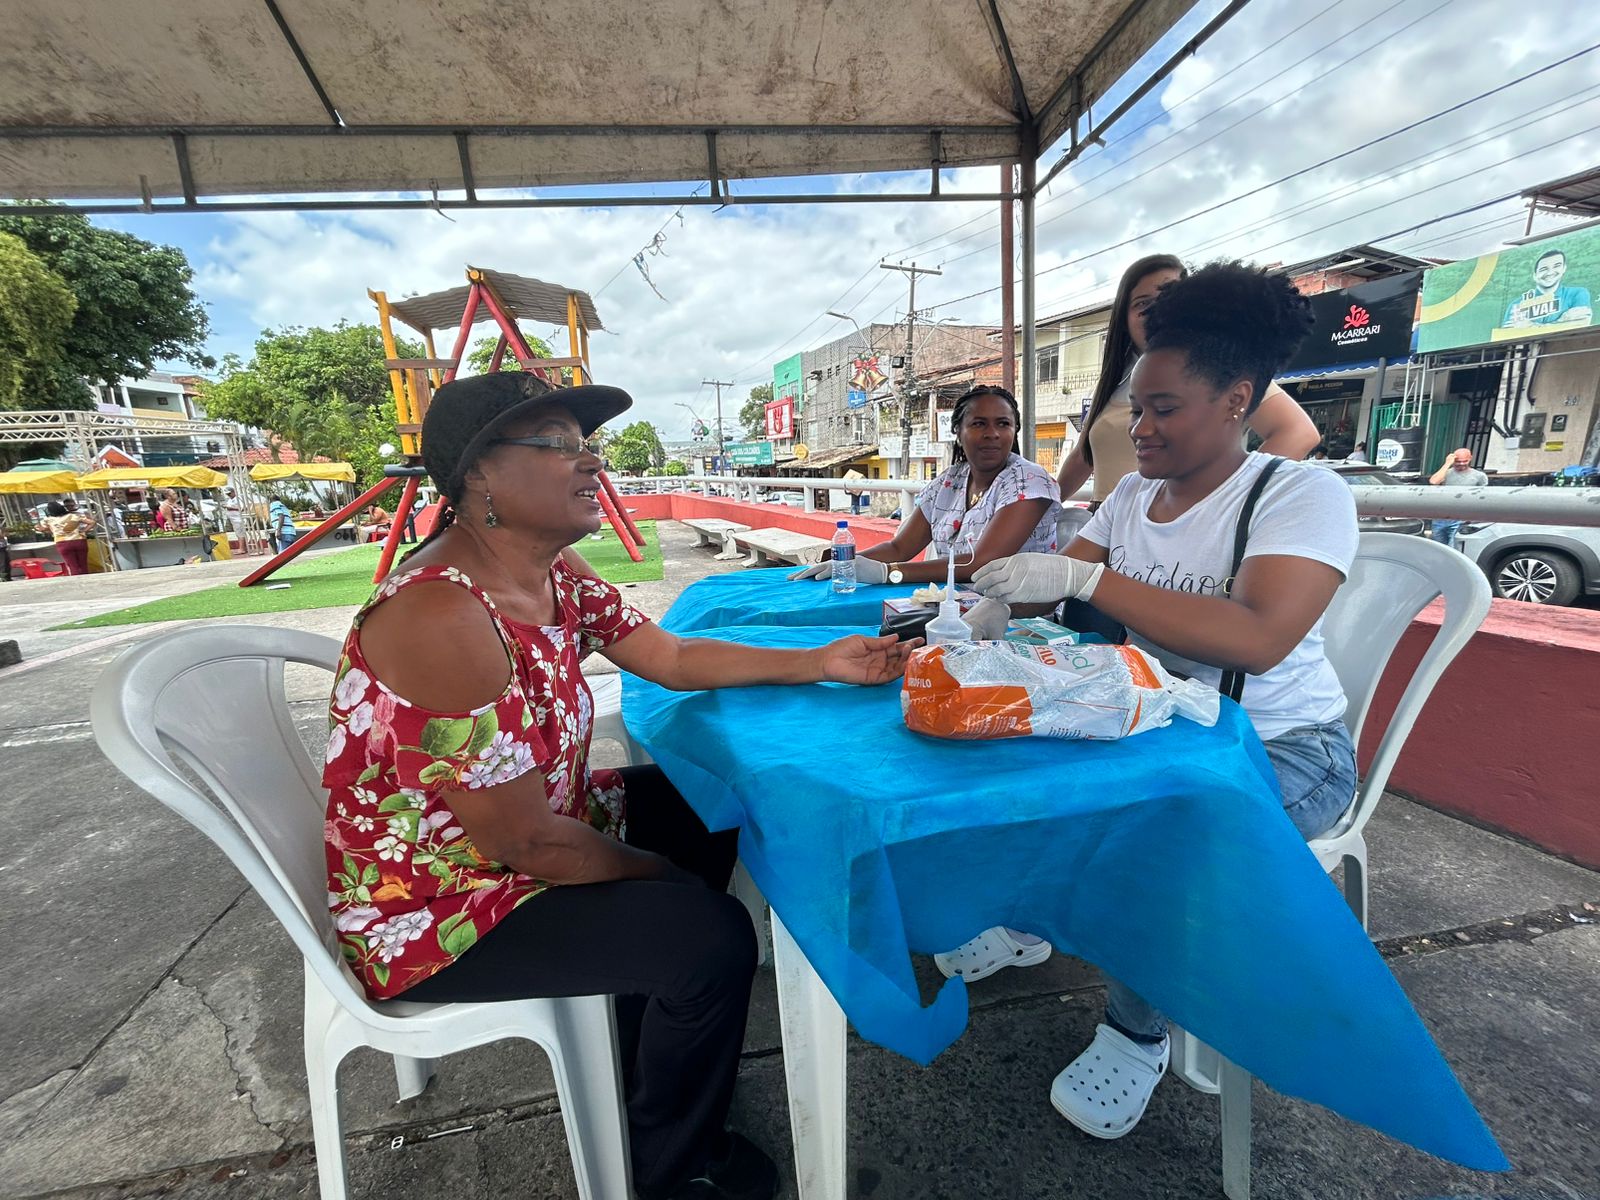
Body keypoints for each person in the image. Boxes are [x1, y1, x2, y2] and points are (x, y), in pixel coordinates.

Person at [322, 372, 916, 1200]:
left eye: (586, 445)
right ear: (479, 476)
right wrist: (653, 875)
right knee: (709, 938)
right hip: (438, 907)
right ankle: (671, 1167)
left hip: (517, 843)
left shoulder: (550, 574)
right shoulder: (441, 615)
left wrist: (819, 661)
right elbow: (523, 844)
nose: (590, 463)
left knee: (710, 808)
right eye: (559, 444)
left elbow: (667, 658)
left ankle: (655, 1037)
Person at [967, 262, 1360, 1141]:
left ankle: (1137, 1031)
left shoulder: (1298, 495)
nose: (1138, 429)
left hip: (1282, 743)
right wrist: (993, 602)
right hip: (1163, 716)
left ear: (1237, 401)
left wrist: (1080, 574)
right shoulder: (1138, 493)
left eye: (1164, 409)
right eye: (1134, 409)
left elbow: (1258, 636)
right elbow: (1067, 588)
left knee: (1153, 839)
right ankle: (1023, 920)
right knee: (1003, 759)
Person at [1056, 255, 1320, 506]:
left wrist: (1224, 499)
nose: (1156, 311)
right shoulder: (1115, 379)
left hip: (1172, 530)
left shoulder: (1220, 370)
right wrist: (1037, 508)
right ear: (1123, 317)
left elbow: (1298, 432)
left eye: (1168, 297)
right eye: (1142, 303)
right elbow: (1082, 457)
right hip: (1105, 524)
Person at [788, 384, 1062, 585]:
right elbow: (900, 548)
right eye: (979, 424)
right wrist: (846, 563)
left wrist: (887, 573)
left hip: (1021, 616)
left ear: (1014, 430)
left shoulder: (1029, 481)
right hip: (953, 605)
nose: (992, 434)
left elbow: (980, 562)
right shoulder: (950, 482)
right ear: (957, 431)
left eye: (1003, 424)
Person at [1500, 248, 1593, 329]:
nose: (1550, 272)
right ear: (1535, 275)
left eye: (1557, 266)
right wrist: (1561, 322)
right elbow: (1508, 338)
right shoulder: (1516, 305)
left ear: (1564, 268)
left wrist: (1531, 326)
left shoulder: (1577, 294)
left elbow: (1579, 324)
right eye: (1543, 269)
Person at [1427, 448, 1487, 548]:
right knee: (1437, 548)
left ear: (1470, 458)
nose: (1461, 464)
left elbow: (1483, 498)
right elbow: (1433, 481)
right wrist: (1447, 463)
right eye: (1458, 461)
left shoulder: (1479, 476)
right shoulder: (1446, 472)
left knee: (1453, 548)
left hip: (1461, 519)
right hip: (1441, 517)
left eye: (1465, 461)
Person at [36, 500, 96, 575]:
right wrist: (84, 531)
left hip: (62, 543)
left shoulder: (48, 520)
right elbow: (92, 522)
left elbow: (42, 529)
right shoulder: (73, 516)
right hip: (79, 541)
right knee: (83, 564)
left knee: (73, 566)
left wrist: (40, 528)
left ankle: (78, 582)